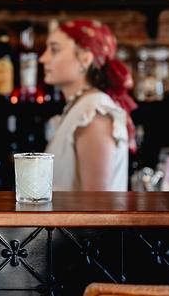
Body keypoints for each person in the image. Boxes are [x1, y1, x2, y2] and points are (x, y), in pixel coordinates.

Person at [41, 19, 136, 191]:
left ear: (85, 59)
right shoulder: (81, 107)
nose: (43, 58)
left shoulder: (94, 113)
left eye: (54, 50)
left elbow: (97, 206)